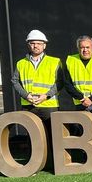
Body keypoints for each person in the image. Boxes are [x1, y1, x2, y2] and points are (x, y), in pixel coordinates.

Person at [12, 29, 61, 160]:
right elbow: (15, 81)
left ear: (44, 45)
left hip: (48, 104)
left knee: (52, 134)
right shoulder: (21, 63)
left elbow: (60, 82)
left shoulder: (55, 62)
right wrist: (25, 95)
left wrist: (46, 95)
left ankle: (53, 162)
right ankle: (33, 162)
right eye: (33, 43)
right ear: (28, 45)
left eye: (39, 43)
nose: (36, 46)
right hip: (29, 105)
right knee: (32, 135)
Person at [62, 35, 92, 150]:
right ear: (78, 48)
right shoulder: (70, 61)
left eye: (87, 47)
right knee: (84, 132)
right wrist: (81, 98)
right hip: (81, 103)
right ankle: (87, 157)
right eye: (82, 47)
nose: (85, 50)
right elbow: (67, 84)